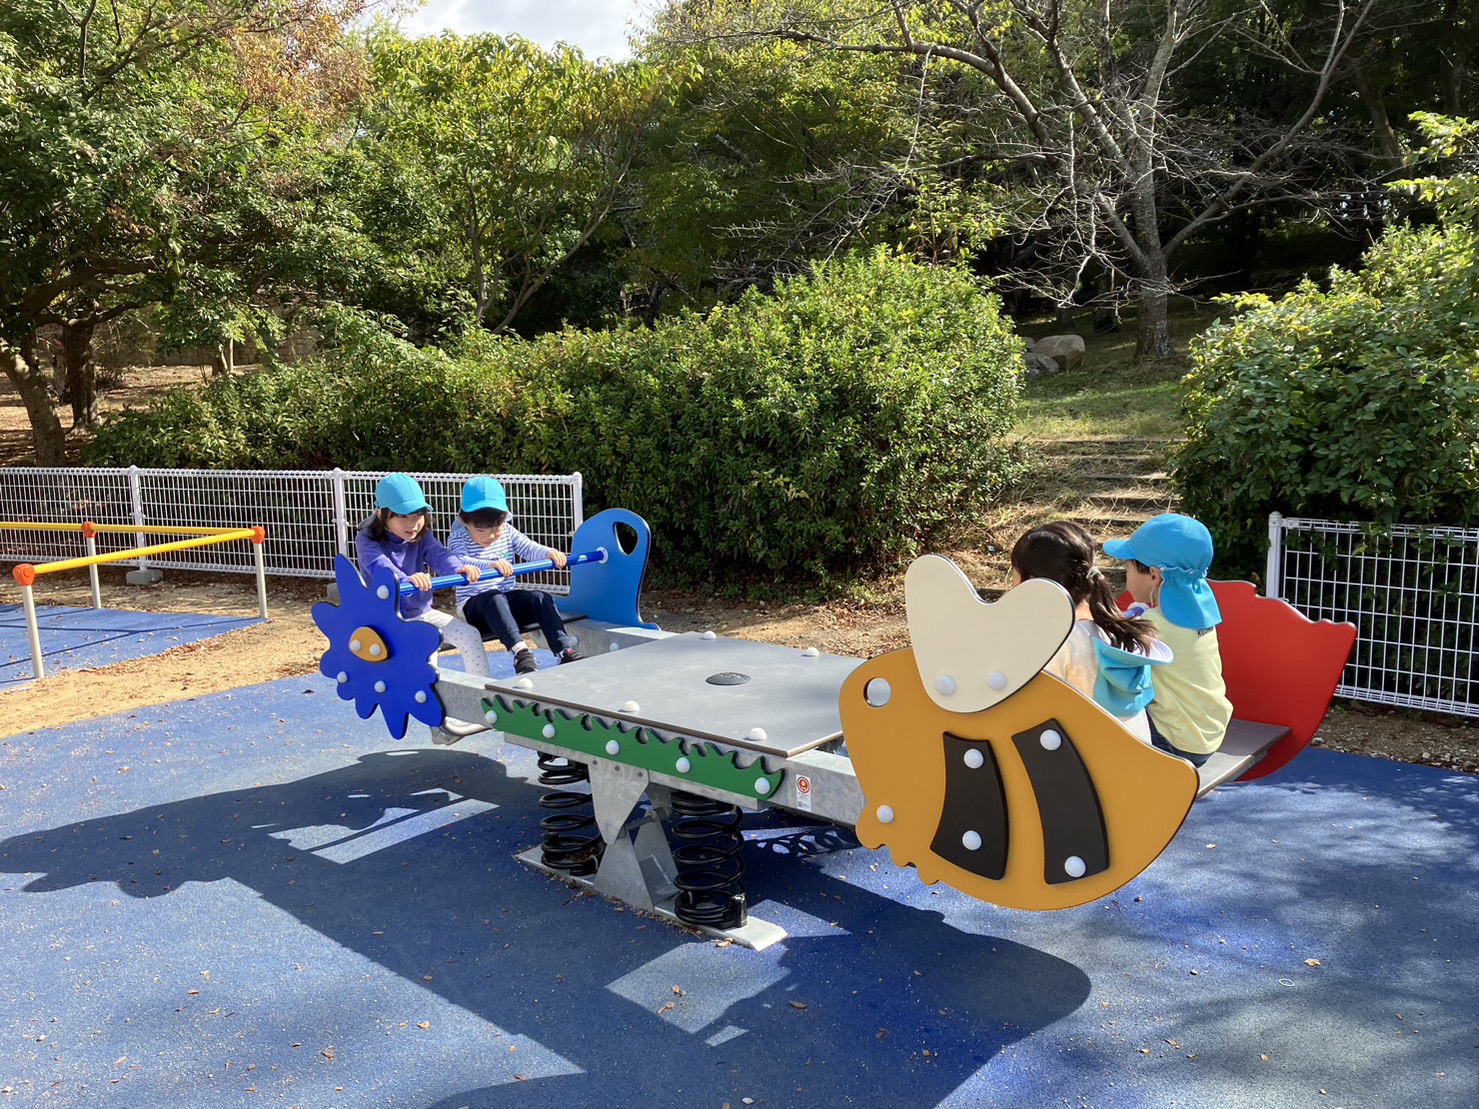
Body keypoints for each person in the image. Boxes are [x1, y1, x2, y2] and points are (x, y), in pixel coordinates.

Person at [1010, 520, 1171, 744]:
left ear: (1034, 584)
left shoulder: (1056, 644)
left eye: (1015, 574)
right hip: (1132, 756)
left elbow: (1026, 714)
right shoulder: (1116, 629)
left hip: (1086, 762)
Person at [354, 473, 492, 720]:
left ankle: (482, 699)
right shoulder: (367, 539)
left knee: (469, 635)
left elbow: (440, 555)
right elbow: (379, 566)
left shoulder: (422, 536)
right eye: (403, 516)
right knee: (428, 661)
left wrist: (458, 568)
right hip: (389, 620)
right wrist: (406, 580)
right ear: (381, 515)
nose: (413, 524)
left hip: (421, 613)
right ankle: (437, 720)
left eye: (418, 515)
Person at [1103, 513, 1233, 767]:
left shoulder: (1153, 624)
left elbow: (1106, 650)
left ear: (1154, 575)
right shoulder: (1202, 617)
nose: (1127, 576)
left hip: (1174, 742)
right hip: (1208, 735)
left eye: (1128, 568)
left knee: (1100, 721)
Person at [447, 475, 583, 675]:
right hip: (475, 607)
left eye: (497, 528)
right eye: (481, 530)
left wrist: (549, 553)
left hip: (505, 604)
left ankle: (564, 651)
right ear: (464, 521)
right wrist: (490, 565)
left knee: (539, 597)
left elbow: (528, 547)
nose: (490, 536)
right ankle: (521, 653)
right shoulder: (458, 538)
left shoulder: (508, 532)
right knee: (493, 598)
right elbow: (460, 560)